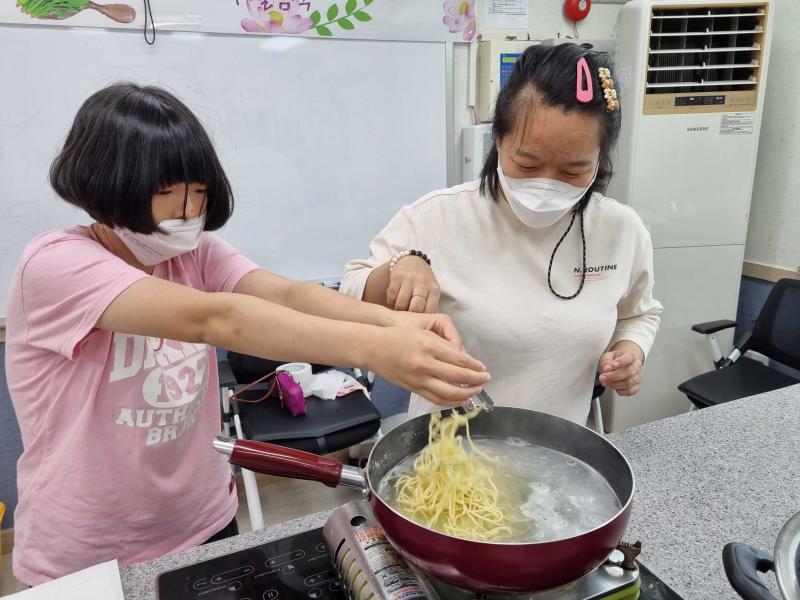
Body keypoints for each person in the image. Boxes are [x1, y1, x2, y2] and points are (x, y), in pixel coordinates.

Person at [4, 83, 490, 585]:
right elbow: (215, 319)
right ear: (106, 183)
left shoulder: (195, 254)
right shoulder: (55, 264)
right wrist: (378, 350)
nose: (189, 211)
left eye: (200, 190)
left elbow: (284, 294)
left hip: (204, 519)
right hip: (89, 551)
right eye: (166, 191)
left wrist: (399, 324)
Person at [341, 44, 663, 423]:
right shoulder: (438, 216)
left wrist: (631, 350)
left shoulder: (621, 231)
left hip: (555, 446)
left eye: (572, 171)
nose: (546, 185)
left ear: (600, 160)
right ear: (497, 141)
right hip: (446, 447)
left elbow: (640, 314)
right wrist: (401, 266)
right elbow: (350, 294)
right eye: (527, 164)